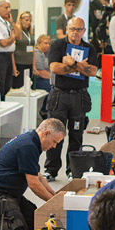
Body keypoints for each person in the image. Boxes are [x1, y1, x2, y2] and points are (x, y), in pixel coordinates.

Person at [43, 17, 98, 181]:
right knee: (54, 132)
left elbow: (93, 71)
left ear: (84, 31)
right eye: (73, 29)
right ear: (67, 29)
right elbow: (54, 67)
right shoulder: (57, 45)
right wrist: (81, 66)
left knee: (76, 134)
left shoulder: (89, 48)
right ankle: (51, 169)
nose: (75, 32)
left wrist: (72, 63)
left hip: (79, 96)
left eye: (79, 29)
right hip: (59, 95)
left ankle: (72, 170)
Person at [13, 11, 35, 89]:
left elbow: (33, 49)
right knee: (19, 88)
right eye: (26, 20)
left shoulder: (31, 32)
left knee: (28, 87)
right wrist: (14, 67)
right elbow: (11, 51)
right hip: (19, 63)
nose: (28, 22)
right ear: (20, 20)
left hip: (29, 64)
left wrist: (34, 65)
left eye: (30, 20)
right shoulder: (16, 31)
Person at [33, 34, 52, 118]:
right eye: (45, 43)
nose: (48, 45)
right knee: (52, 86)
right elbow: (41, 72)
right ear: (39, 43)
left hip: (45, 79)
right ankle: (44, 110)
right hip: (38, 80)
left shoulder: (44, 54)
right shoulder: (37, 53)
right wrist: (54, 79)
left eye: (49, 43)